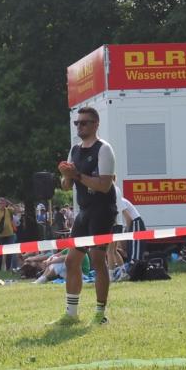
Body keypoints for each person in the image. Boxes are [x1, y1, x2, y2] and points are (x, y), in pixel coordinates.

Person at [57, 106, 118, 324]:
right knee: (71, 261)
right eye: (77, 123)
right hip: (84, 211)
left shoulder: (104, 149)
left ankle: (100, 314)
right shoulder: (74, 150)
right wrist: (65, 176)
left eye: (83, 123)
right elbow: (66, 186)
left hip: (102, 210)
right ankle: (71, 314)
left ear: (95, 124)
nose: (79, 126)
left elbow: (103, 185)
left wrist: (76, 175)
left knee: (97, 261)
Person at [0, 197, 17, 271]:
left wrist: (11, 204)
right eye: (0, 203)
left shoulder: (9, 210)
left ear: (5, 204)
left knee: (9, 253)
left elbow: (17, 211)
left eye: (3, 203)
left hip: (10, 235)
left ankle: (8, 269)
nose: (1, 205)